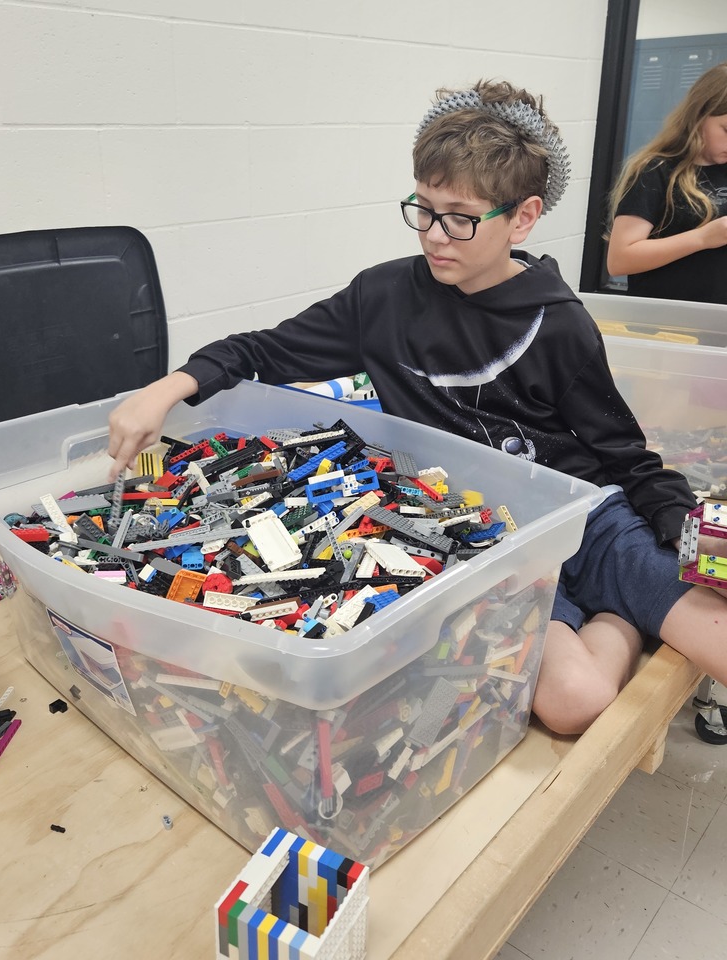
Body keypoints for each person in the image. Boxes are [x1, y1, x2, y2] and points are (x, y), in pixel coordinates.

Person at [108, 78, 727, 736]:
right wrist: (167, 386)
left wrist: (701, 544)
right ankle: (621, 620)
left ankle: (630, 594)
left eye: (460, 217)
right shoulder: (381, 300)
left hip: (589, 517)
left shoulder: (559, 323)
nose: (435, 235)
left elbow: (628, 459)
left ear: (522, 217)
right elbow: (262, 350)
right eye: (423, 209)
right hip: (490, 539)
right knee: (573, 703)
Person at [606, 61, 727, 303]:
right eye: (726, 130)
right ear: (699, 116)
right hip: (668, 325)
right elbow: (620, 259)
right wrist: (702, 238)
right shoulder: (655, 170)